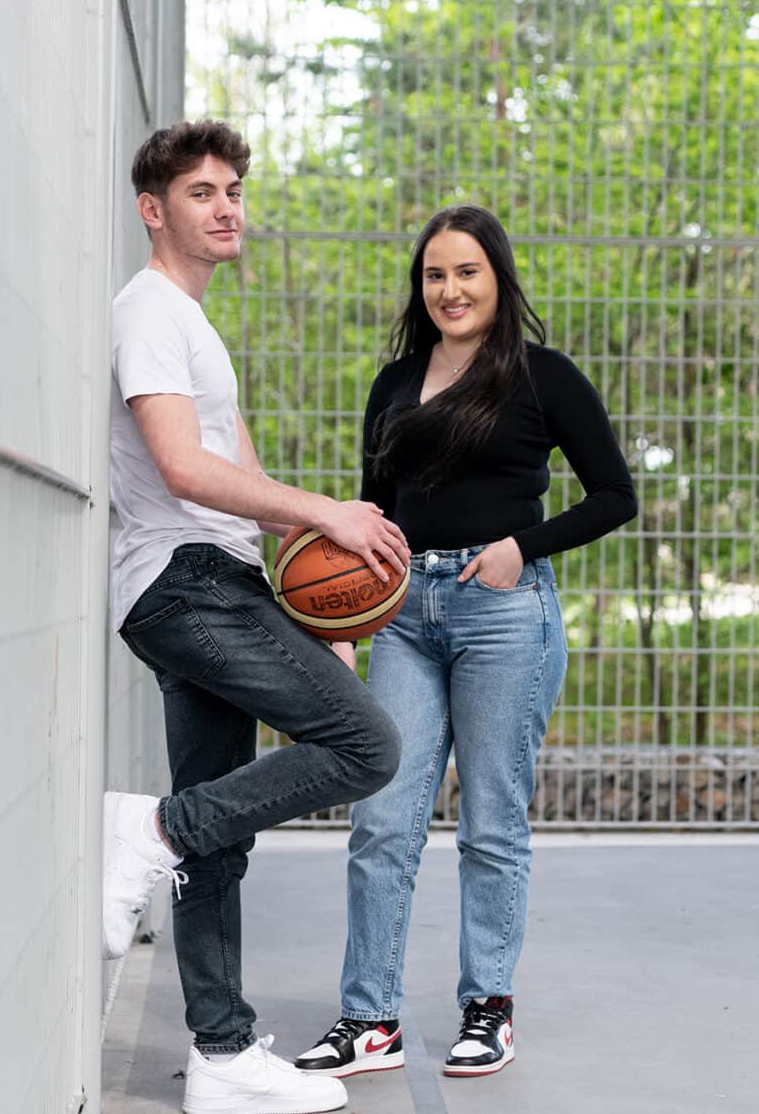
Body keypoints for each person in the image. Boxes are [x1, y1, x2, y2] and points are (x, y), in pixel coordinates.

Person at [103, 119, 411, 1114]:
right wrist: (326, 512)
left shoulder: (190, 322)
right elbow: (183, 471)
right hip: (182, 583)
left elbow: (234, 481)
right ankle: (150, 826)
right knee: (364, 744)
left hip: (215, 580)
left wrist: (309, 607)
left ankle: (220, 1055)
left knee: (219, 843)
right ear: (153, 210)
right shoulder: (148, 311)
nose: (225, 205)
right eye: (200, 192)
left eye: (231, 189)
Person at [295, 205, 636, 1082]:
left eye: (467, 272)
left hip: (504, 609)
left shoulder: (543, 378)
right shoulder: (393, 382)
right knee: (381, 818)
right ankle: (370, 1017)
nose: (450, 289)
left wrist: (522, 547)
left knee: (491, 822)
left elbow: (613, 495)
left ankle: (488, 1006)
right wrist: (345, 626)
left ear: (499, 279)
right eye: (435, 274)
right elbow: (370, 514)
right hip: (402, 614)